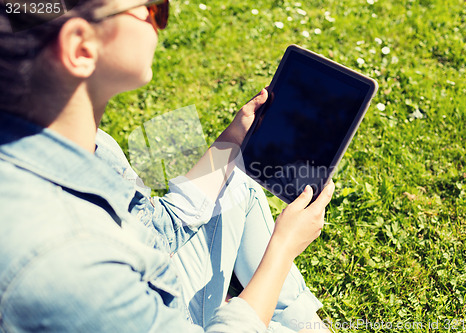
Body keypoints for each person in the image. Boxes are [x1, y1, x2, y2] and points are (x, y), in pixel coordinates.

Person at [0, 0, 335, 332]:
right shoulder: (72, 264)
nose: (160, 24)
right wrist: (283, 248)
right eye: (152, 10)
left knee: (237, 182)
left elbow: (154, 229)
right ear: (81, 48)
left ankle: (305, 321)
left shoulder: (86, 141)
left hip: (154, 279)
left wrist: (233, 139)